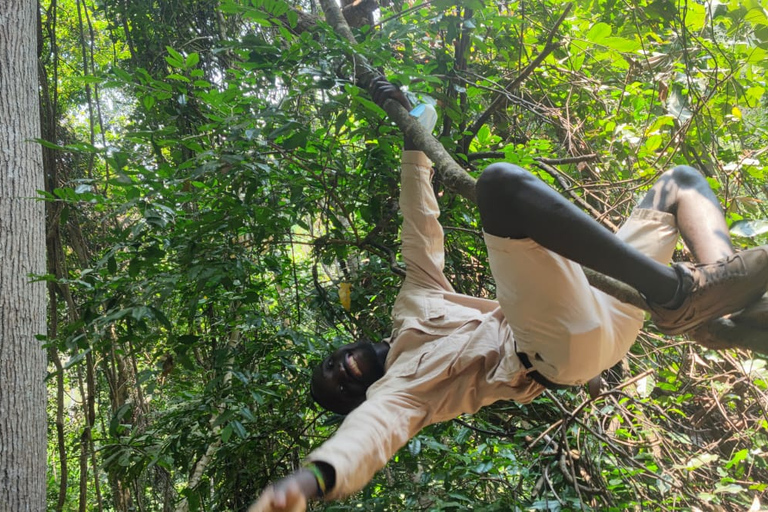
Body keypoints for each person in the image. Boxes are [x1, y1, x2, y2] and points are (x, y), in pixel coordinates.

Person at [248, 77, 768, 512]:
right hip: (556, 347)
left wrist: (413, 141)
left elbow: (419, 230)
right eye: (339, 382)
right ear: (357, 396)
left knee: (677, 185)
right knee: (500, 187)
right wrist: (311, 480)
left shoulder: (411, 306)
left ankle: (714, 315)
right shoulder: (399, 394)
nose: (341, 365)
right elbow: (369, 434)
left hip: (605, 305)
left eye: (330, 361)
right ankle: (684, 298)